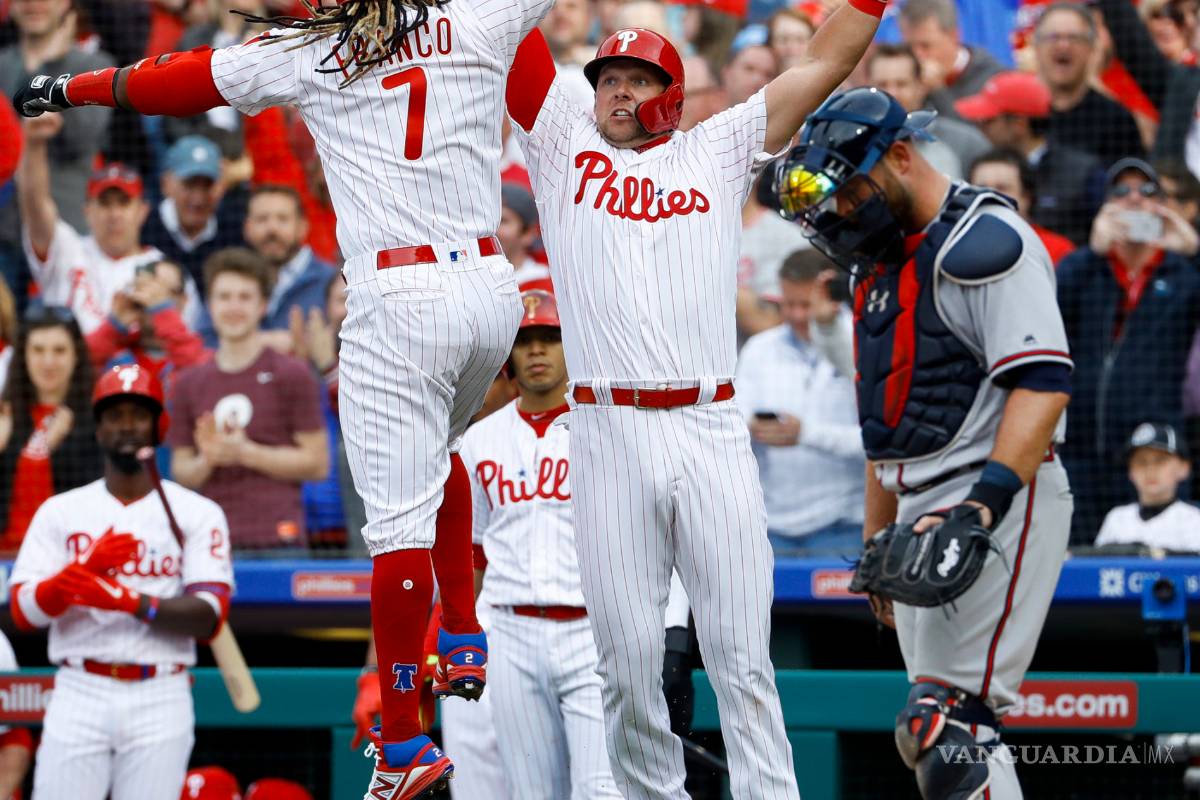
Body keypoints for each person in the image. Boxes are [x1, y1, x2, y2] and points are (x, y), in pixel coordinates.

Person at [13, 0, 561, 787]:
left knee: (397, 526)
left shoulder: (309, 49)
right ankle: (466, 633)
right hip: (490, 289)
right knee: (441, 457)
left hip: (399, 292)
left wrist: (73, 88)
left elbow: (173, 81)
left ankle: (403, 743)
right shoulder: (476, 16)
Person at [504, 0, 883, 791]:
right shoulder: (560, 142)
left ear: (671, 92)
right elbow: (501, 33)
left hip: (709, 425)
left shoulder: (717, 146)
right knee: (628, 662)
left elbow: (823, 63)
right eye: (606, 78)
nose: (614, 92)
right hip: (605, 429)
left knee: (744, 657)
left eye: (636, 78)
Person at [778, 86, 1074, 797]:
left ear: (901, 156)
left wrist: (982, 508)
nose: (841, 210)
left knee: (947, 724)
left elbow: (1043, 382)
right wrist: (878, 538)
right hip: (916, 500)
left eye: (849, 190)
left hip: (996, 490)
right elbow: (889, 417)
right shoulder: (878, 258)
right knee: (934, 733)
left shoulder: (985, 239)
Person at [8, 363, 234, 800]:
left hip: (161, 689)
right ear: (98, 428)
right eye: (115, 415)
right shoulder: (62, 511)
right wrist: (76, 577)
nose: (127, 426)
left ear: (158, 426)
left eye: (138, 414)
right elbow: (22, 611)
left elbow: (209, 617)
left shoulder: (196, 512)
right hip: (79, 686)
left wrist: (126, 599)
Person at [1057, 157, 1200, 543]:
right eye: (1121, 191)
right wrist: (1091, 251)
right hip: (1084, 446)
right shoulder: (1084, 269)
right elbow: (1048, 311)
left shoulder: (1183, 274)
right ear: (1106, 205)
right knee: (1077, 556)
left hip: (1152, 451)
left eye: (1147, 192)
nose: (1134, 200)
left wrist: (1192, 249)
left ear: (1163, 205)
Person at [169, 249, 329, 549]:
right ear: (209, 304)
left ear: (263, 305)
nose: (234, 306)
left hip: (280, 539)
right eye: (225, 296)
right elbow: (181, 471)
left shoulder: (292, 374)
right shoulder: (189, 383)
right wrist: (209, 457)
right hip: (211, 541)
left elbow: (317, 463)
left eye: (245, 297)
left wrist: (245, 452)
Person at [735, 251, 864, 555]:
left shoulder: (861, 343)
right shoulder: (759, 349)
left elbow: (876, 442)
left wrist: (805, 434)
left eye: (805, 305)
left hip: (843, 524)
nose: (795, 315)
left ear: (830, 297)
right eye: (787, 304)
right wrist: (752, 429)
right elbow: (733, 429)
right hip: (770, 527)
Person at [16, 114, 174, 335]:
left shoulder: (162, 269)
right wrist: (34, 144)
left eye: (124, 203)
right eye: (105, 204)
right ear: (87, 211)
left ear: (142, 211)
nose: (114, 214)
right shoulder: (67, 250)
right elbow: (35, 204)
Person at [0, 0, 113, 232]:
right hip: (6, 225)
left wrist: (53, 65)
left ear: (65, 5)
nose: (33, 5)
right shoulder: (2, 65)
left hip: (67, 221)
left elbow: (79, 137)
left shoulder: (93, 65)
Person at [955, 69, 1103, 245]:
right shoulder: (981, 166)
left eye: (989, 120)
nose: (981, 128)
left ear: (1019, 124)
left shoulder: (1082, 173)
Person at [0, 306, 100, 551]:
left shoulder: (98, 417)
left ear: (76, 354)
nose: (48, 362)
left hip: (64, 556)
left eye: (59, 350)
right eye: (38, 350)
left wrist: (56, 448)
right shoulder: (5, 414)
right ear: (23, 355)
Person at [1033, 2, 1144, 167]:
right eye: (1054, 37)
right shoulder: (1021, 118)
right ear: (1036, 46)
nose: (1063, 45)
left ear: (1092, 48)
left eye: (1074, 38)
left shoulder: (1116, 120)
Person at [865, 43, 991, 179]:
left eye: (901, 84)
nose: (892, 93)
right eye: (882, 85)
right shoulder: (853, 144)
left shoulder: (965, 143)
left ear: (920, 86)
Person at [141, 135, 247, 290]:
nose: (198, 198)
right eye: (189, 185)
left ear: (221, 187)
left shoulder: (234, 233)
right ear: (166, 184)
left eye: (207, 186)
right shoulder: (143, 228)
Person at [84, 257, 208, 380]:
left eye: (164, 292)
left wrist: (162, 311)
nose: (153, 298)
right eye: (148, 289)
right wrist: (112, 327)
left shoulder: (200, 347)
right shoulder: (118, 349)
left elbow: (197, 369)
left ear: (184, 300)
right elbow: (79, 362)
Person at [1095, 422, 1200, 552]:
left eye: (1160, 460)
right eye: (1141, 462)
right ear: (1130, 471)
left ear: (1184, 468)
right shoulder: (1117, 519)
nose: (1150, 470)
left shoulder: (1194, 520)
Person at [896, 0, 1003, 120]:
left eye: (925, 46)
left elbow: (972, 135)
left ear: (954, 36)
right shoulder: (903, 77)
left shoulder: (991, 78)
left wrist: (937, 91)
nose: (917, 56)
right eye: (909, 47)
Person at [968, 148, 1076, 265]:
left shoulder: (1057, 250)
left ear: (1026, 196)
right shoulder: (954, 245)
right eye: (981, 188)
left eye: (1002, 188)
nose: (990, 195)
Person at [498, 182, 548, 284]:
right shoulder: (470, 279)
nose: (492, 230)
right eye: (490, 221)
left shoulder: (545, 283)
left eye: (502, 221)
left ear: (528, 234)